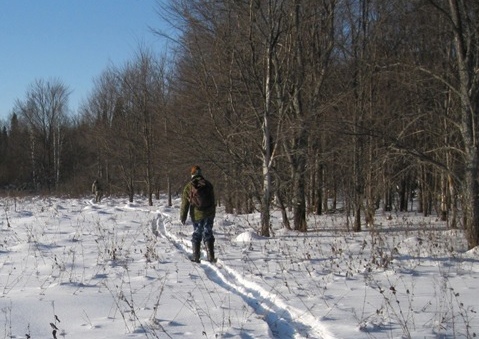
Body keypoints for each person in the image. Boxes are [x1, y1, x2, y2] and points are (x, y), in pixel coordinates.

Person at [180, 165, 216, 263]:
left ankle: (196, 257)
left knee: (197, 234)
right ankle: (211, 257)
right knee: (208, 232)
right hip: (209, 213)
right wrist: (212, 214)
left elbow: (185, 204)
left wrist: (183, 216)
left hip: (197, 215)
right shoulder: (208, 184)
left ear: (192, 174)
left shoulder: (189, 186)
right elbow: (213, 201)